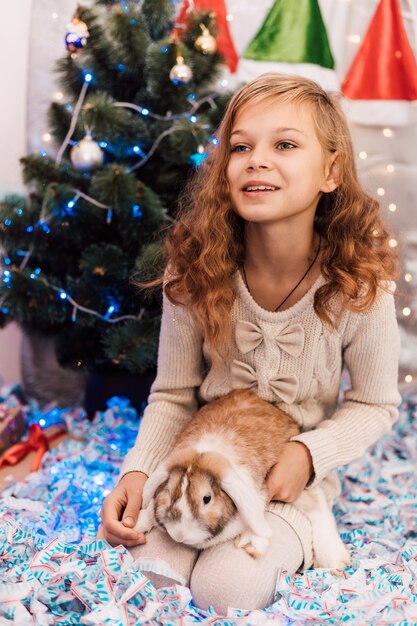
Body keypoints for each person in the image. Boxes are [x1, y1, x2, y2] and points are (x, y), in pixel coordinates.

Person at [98, 73, 401, 614]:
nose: (257, 159)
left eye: (284, 144)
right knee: (151, 577)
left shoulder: (360, 286)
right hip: (199, 472)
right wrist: (139, 472)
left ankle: (304, 532)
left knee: (227, 591)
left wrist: (309, 455)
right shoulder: (194, 271)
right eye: (241, 146)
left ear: (331, 170)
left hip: (282, 485)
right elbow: (174, 393)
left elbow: (375, 403)